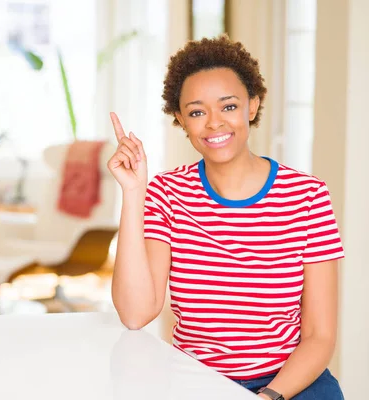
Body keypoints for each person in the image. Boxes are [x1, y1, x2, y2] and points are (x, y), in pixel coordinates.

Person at [107, 35, 345, 400]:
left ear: (253, 104)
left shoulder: (308, 196)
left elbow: (320, 336)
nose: (215, 124)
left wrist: (268, 397)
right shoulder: (166, 194)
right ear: (181, 121)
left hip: (291, 383)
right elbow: (136, 314)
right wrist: (133, 192)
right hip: (198, 383)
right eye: (197, 112)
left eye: (229, 106)